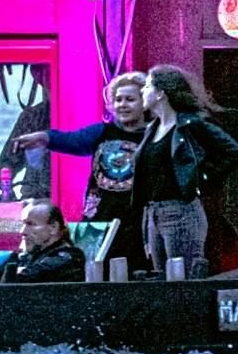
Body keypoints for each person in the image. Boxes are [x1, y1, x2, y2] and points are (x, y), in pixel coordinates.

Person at [13, 71, 153, 266]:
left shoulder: (154, 135)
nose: (123, 105)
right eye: (118, 99)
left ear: (145, 101)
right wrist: (42, 137)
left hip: (138, 219)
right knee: (95, 270)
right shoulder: (102, 131)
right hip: (99, 220)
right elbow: (72, 140)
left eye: (130, 99)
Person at [132, 63, 238, 278]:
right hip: (153, 212)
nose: (142, 91)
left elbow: (233, 152)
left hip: (181, 211)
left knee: (182, 279)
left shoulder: (191, 124)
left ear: (161, 94)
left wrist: (202, 178)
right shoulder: (151, 129)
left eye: (147, 86)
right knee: (162, 278)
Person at [0, 201, 87, 284]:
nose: (22, 231)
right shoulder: (28, 255)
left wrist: (15, 271)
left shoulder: (70, 256)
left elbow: (20, 279)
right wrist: (17, 257)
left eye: (31, 224)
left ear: (53, 227)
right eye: (23, 224)